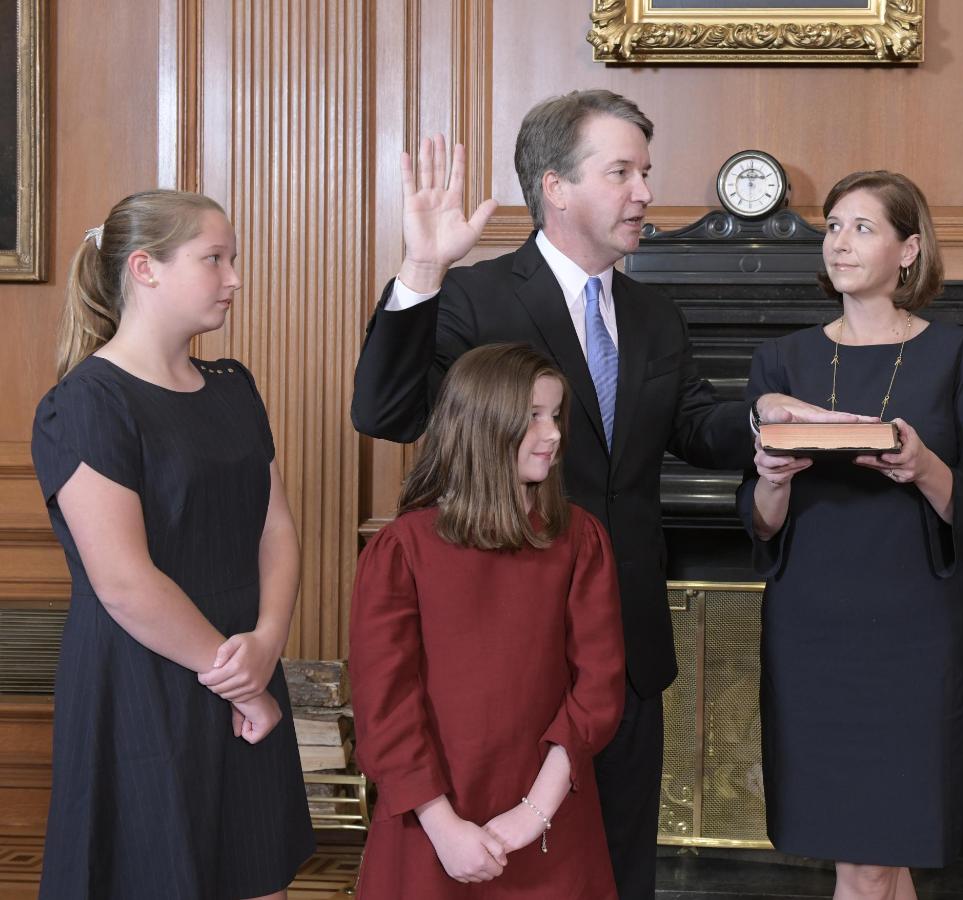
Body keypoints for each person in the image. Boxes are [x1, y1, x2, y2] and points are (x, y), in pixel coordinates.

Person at [350, 89, 845, 898]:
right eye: (621, 171)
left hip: (625, 654)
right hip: (510, 667)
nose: (645, 191)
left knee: (618, 876)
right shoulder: (475, 297)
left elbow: (693, 424)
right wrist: (423, 268)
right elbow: (385, 412)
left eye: (645, 171)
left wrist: (763, 419)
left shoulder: (653, 313)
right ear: (556, 186)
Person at [30, 190, 314, 898]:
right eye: (213, 259)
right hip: (140, 679)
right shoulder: (87, 402)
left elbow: (275, 526)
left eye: (233, 259)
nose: (234, 278)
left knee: (257, 876)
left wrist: (267, 644)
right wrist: (240, 681)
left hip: (245, 659)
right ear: (145, 269)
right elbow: (124, 583)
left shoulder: (233, 386)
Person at [739, 171, 963, 900]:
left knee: (876, 853)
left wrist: (923, 466)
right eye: (832, 226)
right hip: (811, 629)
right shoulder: (781, 362)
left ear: (909, 249)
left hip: (914, 631)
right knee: (870, 857)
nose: (839, 242)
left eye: (862, 227)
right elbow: (760, 524)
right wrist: (771, 477)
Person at [349, 343, 626, 898]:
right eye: (533, 418)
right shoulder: (401, 550)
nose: (553, 434)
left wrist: (533, 814)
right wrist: (444, 827)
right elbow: (385, 706)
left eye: (555, 416)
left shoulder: (580, 538)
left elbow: (597, 689)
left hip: (551, 818)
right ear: (481, 425)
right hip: (428, 820)